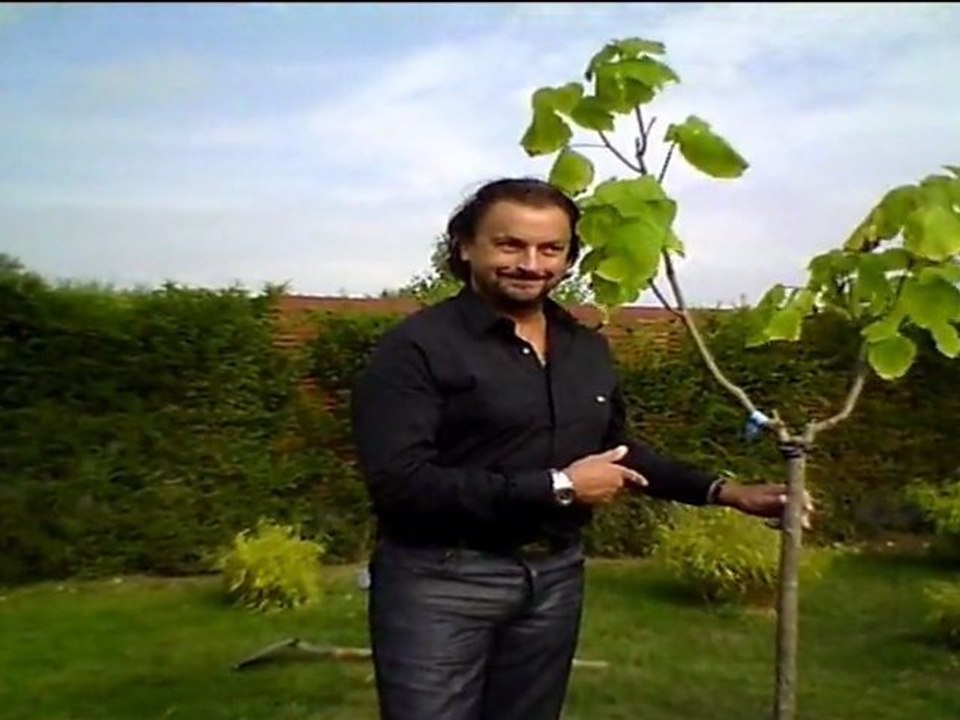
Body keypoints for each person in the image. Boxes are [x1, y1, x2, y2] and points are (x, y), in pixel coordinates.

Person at [350, 177, 813, 720]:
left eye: (551, 249)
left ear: (569, 257)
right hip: (440, 583)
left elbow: (616, 452)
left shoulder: (584, 348)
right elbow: (402, 486)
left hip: (553, 580)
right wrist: (562, 486)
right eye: (510, 245)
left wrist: (728, 492)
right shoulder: (415, 349)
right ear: (464, 246)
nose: (531, 263)